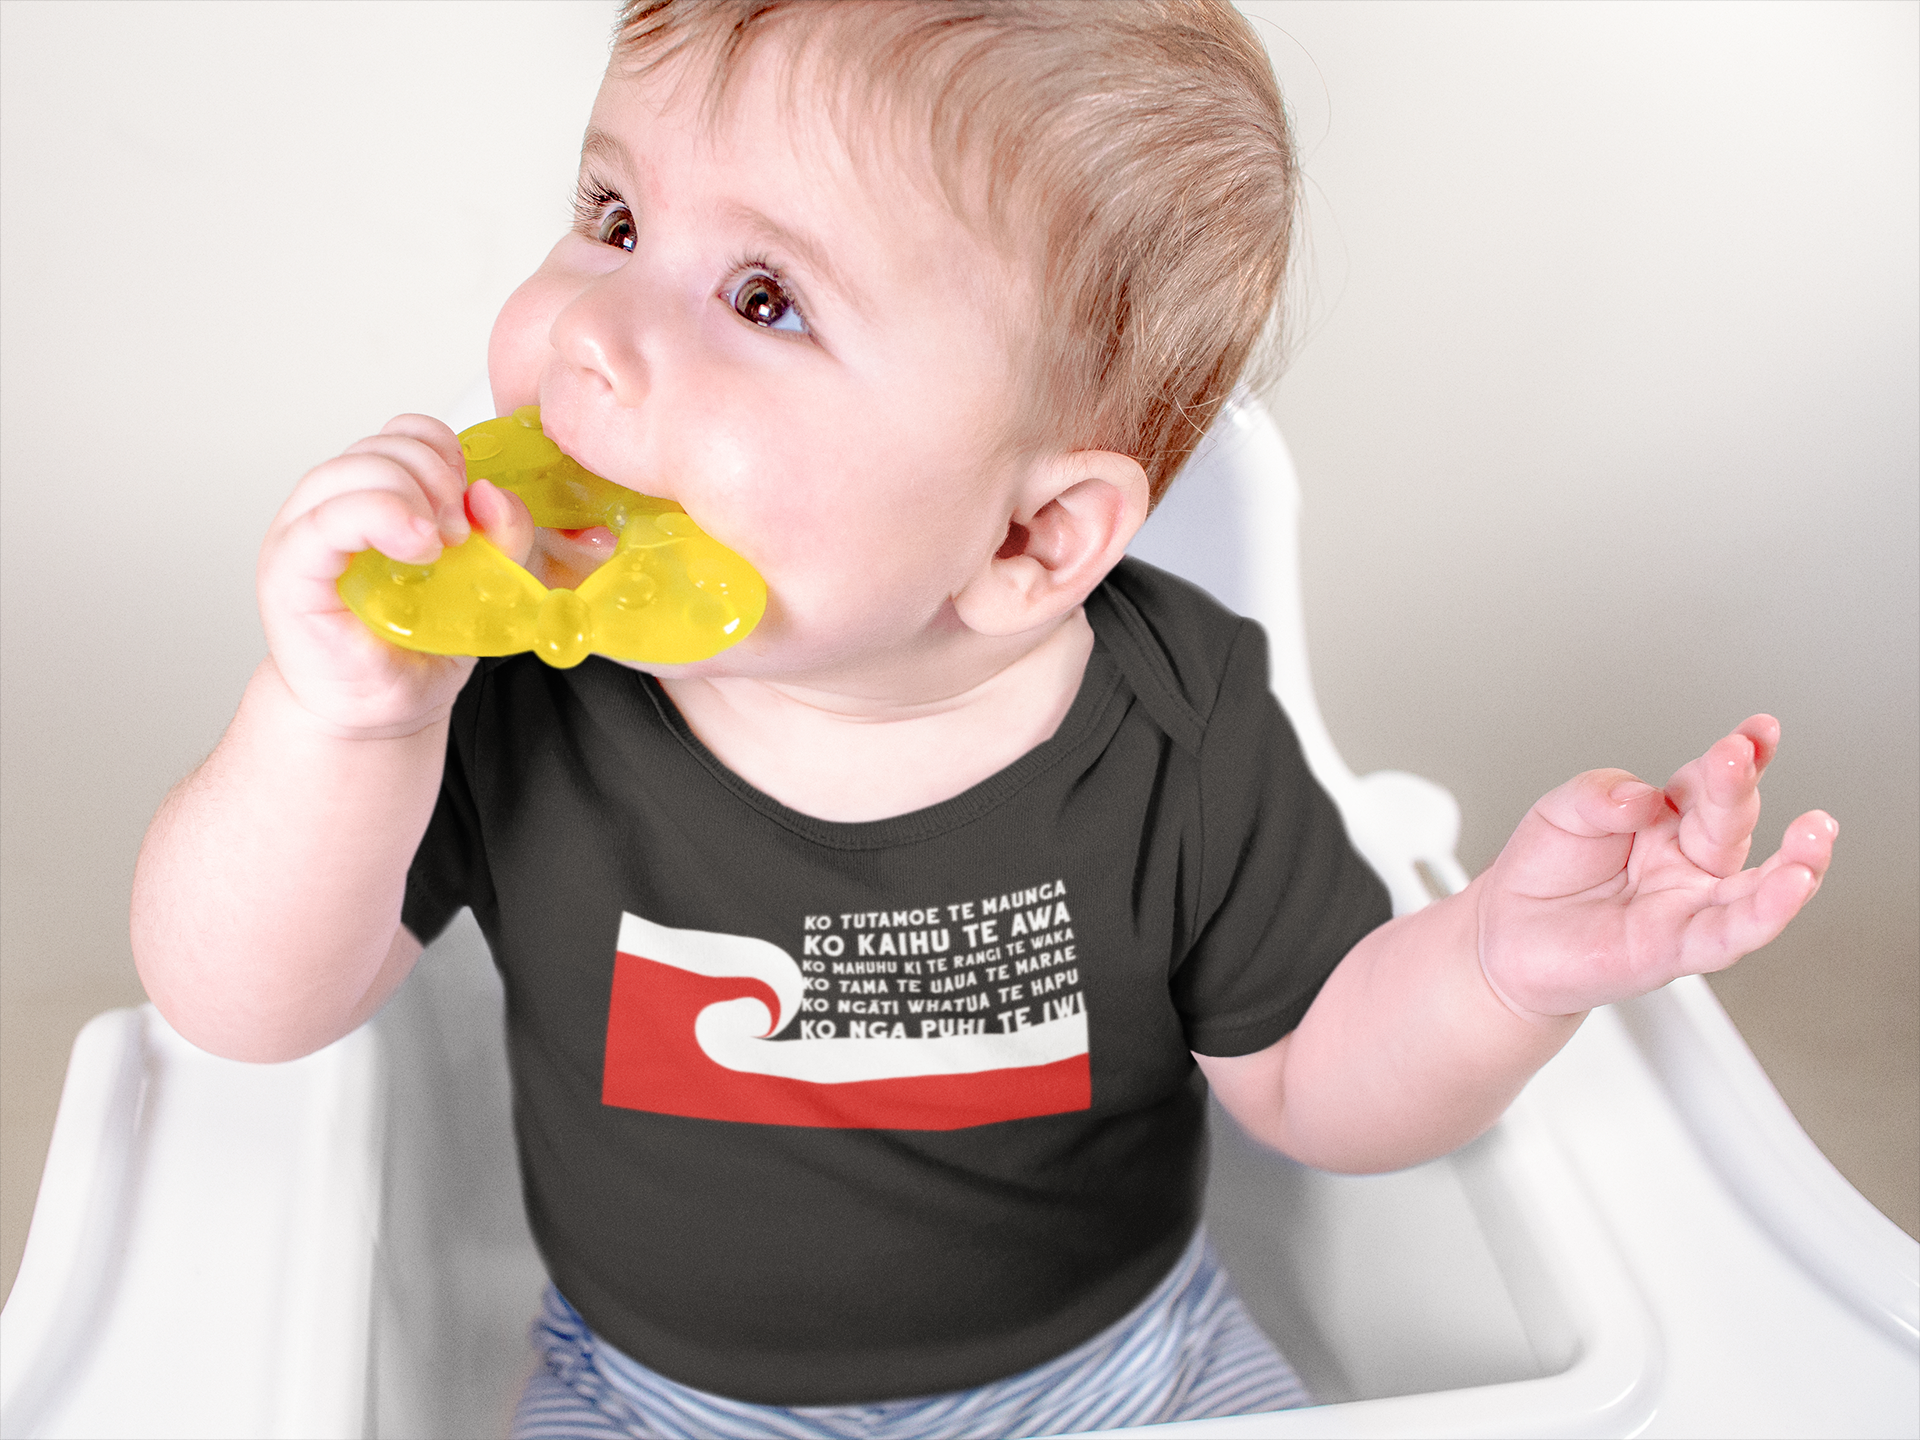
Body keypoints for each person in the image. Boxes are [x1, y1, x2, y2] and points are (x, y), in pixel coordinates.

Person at [129, 2, 1837, 1436]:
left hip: (1118, 1369)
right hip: (656, 1392)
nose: (592, 340)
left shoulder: (1179, 727)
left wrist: (1499, 970)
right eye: (615, 216)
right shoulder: (516, 689)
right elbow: (242, 1009)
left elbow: (1319, 1090)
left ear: (1033, 542)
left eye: (765, 299)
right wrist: (340, 722)